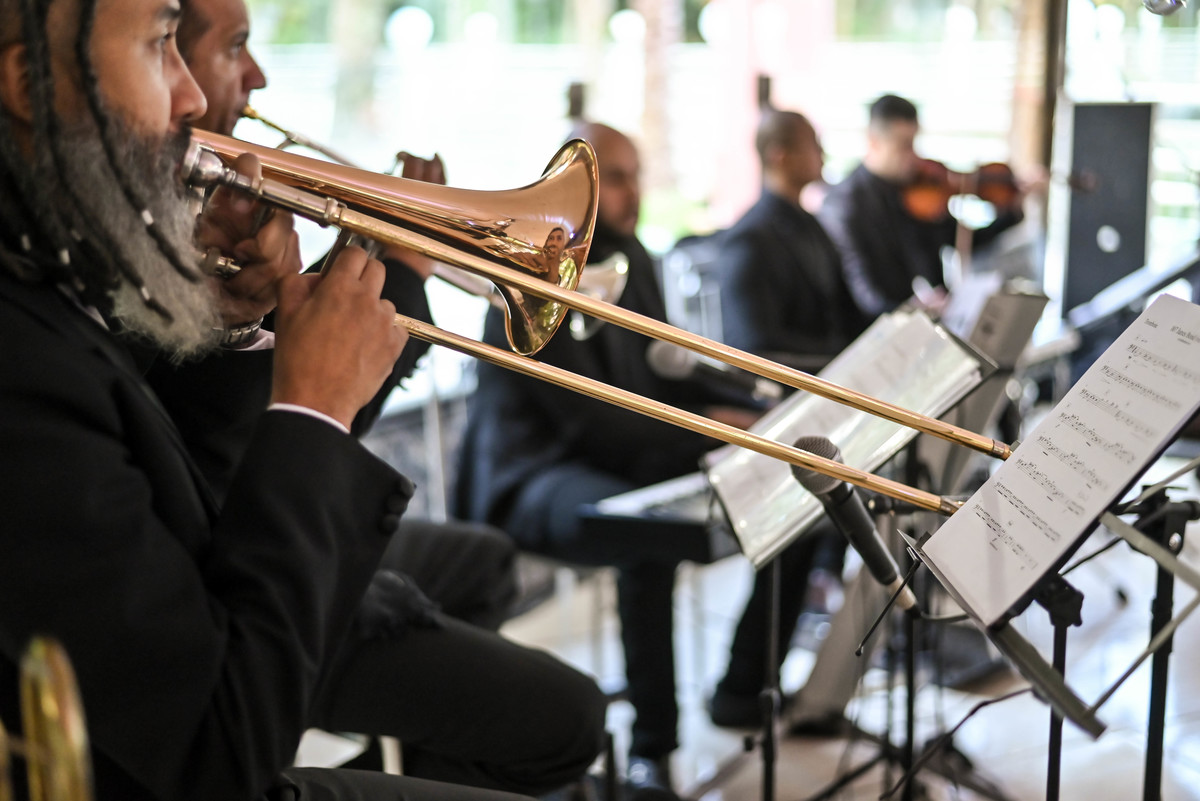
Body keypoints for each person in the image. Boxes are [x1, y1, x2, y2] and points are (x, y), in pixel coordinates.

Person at [0, 4, 606, 801]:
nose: (190, 95)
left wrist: (237, 324)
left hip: (220, 634)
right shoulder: (24, 351)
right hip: (216, 711)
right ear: (29, 85)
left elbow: (175, 460)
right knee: (564, 717)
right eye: (159, 44)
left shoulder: (48, 266)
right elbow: (222, 748)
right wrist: (313, 407)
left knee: (501, 599)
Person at [169, 0, 518, 631]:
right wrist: (402, 265)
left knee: (485, 561)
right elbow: (301, 422)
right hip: (236, 554)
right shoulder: (155, 215)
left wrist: (242, 320)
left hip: (264, 517)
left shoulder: (198, 203)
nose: (257, 76)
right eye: (234, 47)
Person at [455, 122, 763, 799]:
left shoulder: (633, 258)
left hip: (612, 454)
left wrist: (755, 407)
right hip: (531, 475)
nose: (632, 192)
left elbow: (666, 366)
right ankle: (654, 750)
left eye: (635, 175)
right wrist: (710, 432)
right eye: (615, 177)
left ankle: (747, 687)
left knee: (768, 485)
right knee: (648, 536)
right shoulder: (530, 268)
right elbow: (588, 418)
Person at [704, 108, 869, 727]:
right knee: (792, 545)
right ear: (780, 155)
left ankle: (781, 683)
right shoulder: (749, 238)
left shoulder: (812, 226)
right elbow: (754, 351)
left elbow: (850, 317)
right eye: (812, 146)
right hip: (779, 417)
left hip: (826, 407)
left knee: (827, 536)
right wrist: (840, 368)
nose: (822, 156)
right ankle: (744, 687)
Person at [819, 94, 1025, 321]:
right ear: (874, 141)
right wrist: (913, 309)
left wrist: (1012, 210)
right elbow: (866, 294)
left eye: (914, 143)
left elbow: (964, 238)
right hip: (883, 327)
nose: (914, 157)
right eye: (904, 146)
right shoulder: (844, 206)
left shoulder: (920, 191)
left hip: (934, 317)